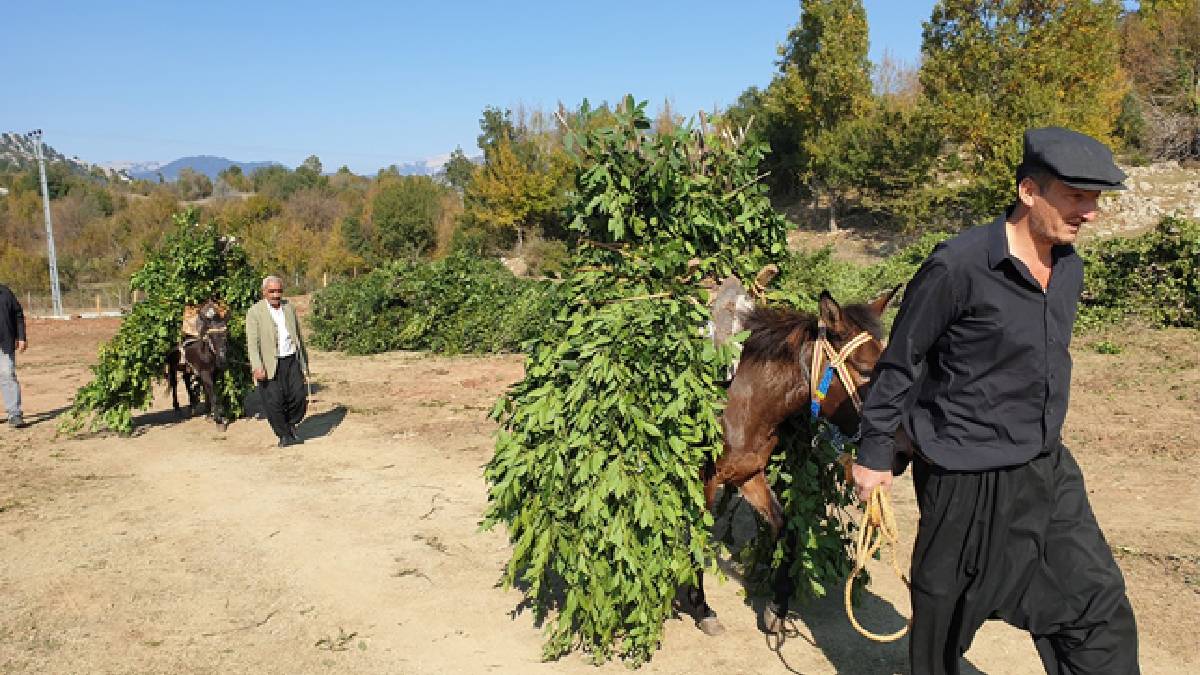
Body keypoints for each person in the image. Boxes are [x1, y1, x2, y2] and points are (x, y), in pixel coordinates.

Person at [852, 127, 1139, 675]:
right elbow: (902, 360)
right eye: (1077, 197)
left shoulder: (1068, 267)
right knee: (946, 626)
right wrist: (873, 453)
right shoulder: (958, 266)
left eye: (1096, 199)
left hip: (1045, 470)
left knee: (1097, 606)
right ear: (1029, 191)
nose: (1091, 213)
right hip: (965, 477)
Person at [246, 275, 309, 447]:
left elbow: (298, 336)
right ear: (264, 292)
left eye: (279, 291)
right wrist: (257, 366)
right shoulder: (255, 312)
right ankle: (283, 435)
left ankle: (291, 424)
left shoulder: (289, 308)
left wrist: (304, 362)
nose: (276, 295)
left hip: (291, 359)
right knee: (274, 401)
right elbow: (252, 343)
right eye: (272, 291)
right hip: (269, 363)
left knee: (298, 396)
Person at [0, 283, 26, 429]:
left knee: (8, 374)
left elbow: (18, 314)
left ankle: (14, 413)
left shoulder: (5, 293)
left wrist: (21, 337)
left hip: (5, 342)